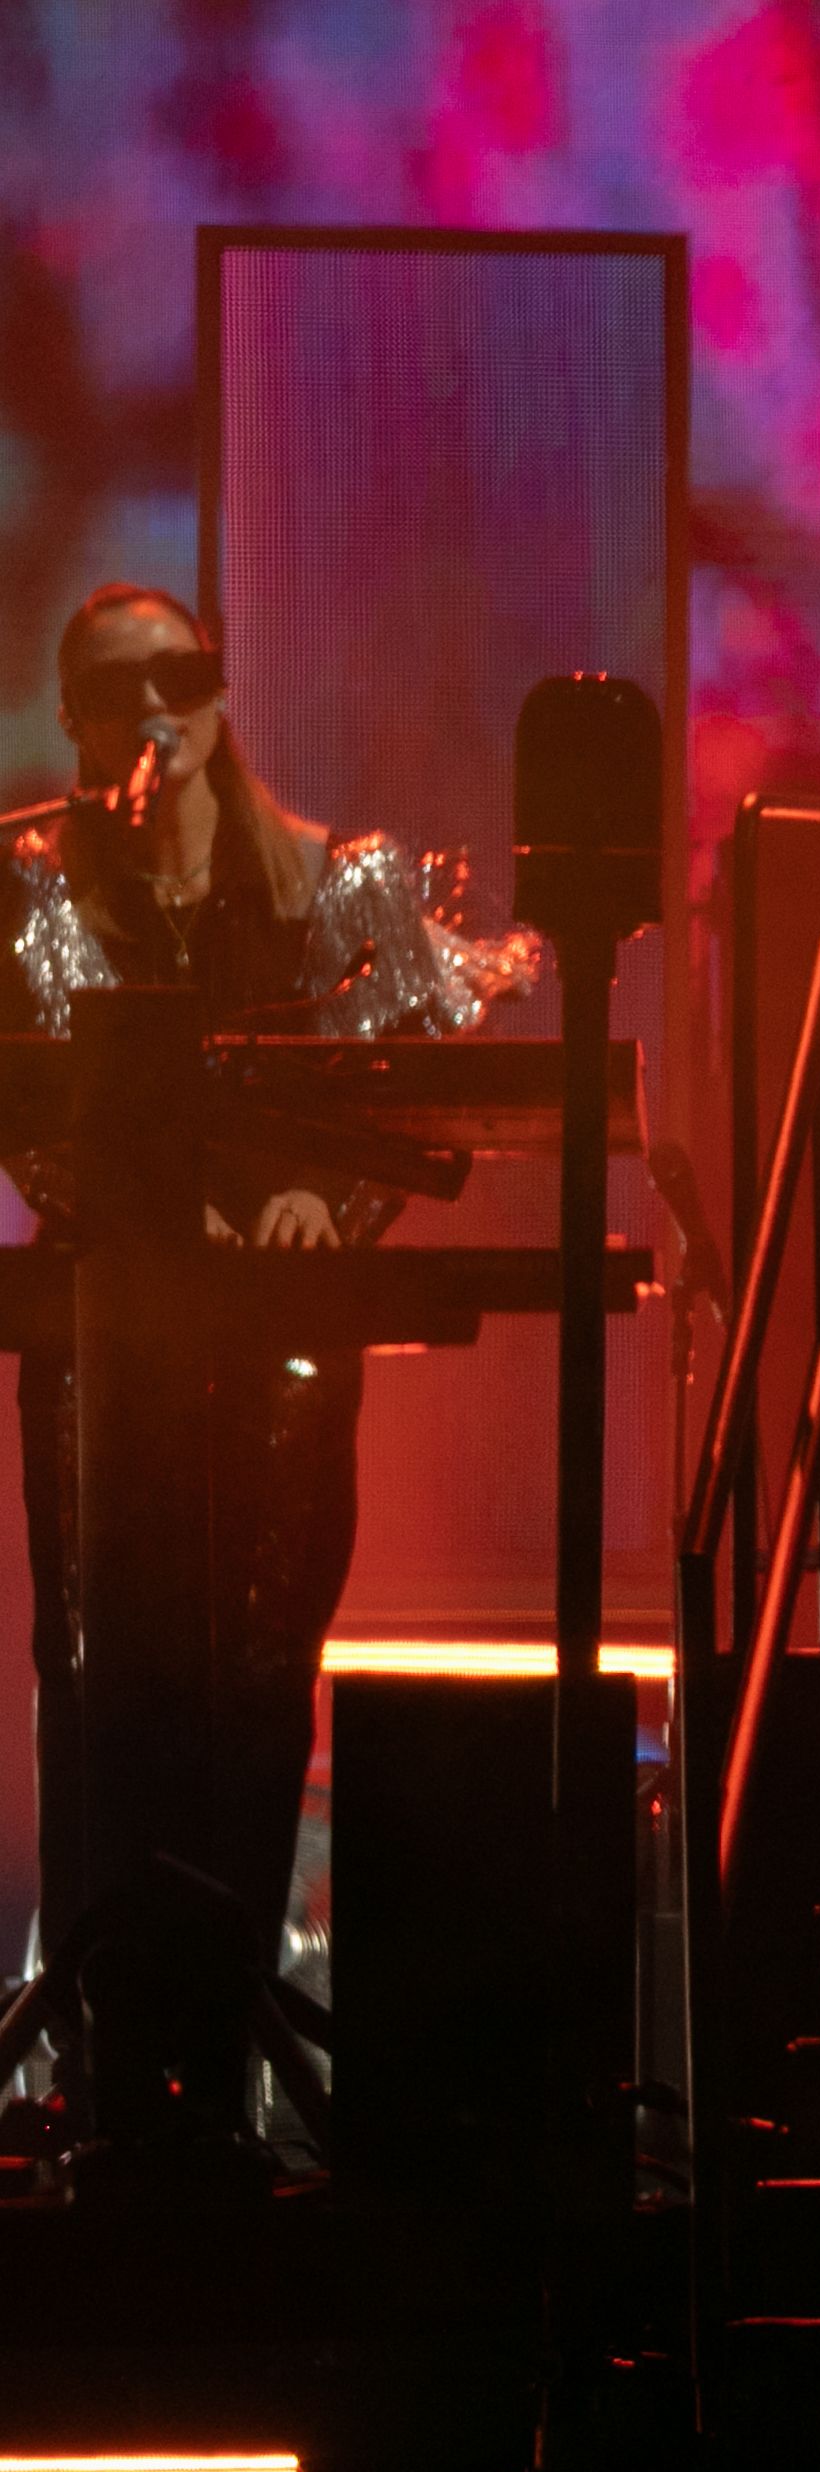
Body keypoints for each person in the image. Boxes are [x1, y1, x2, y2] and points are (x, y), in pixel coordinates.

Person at [2, 582, 534, 2177]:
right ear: (75, 717)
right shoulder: (30, 890)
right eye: (121, 686)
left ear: (221, 697)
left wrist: (325, 1202)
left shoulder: (318, 886)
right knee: (100, 1679)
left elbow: (398, 1096)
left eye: (185, 674)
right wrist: (155, 1217)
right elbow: (32, 1117)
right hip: (106, 1349)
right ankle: (106, 2060)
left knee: (252, 1678)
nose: (157, 707)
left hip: (280, 1355)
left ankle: (227, 2055)